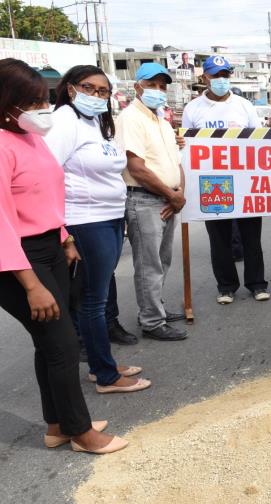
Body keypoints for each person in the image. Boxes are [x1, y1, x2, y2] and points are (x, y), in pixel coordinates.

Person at [0, 58, 127, 454]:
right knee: (64, 343)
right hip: (19, 260)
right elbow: (2, 221)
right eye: (32, 102)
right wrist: (32, 285)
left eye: (43, 100)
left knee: (50, 342)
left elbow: (49, 192)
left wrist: (64, 237)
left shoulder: (31, 138)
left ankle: (56, 425)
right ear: (7, 103)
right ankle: (80, 431)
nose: (42, 110)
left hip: (50, 245)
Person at [44, 65, 151, 393]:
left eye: (102, 91)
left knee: (97, 296)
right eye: (88, 88)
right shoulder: (64, 120)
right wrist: (64, 233)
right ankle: (106, 375)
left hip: (108, 218)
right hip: (86, 220)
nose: (95, 96)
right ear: (71, 88)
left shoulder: (96, 122)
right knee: (93, 299)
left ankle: (100, 363)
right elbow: (48, 173)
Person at [181, 55, 271, 305]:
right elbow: (186, 146)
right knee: (219, 239)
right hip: (211, 183)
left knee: (251, 237)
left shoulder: (243, 105)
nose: (221, 80)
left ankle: (257, 284)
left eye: (225, 75)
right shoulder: (193, 109)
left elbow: (257, 142)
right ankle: (226, 286)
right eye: (216, 75)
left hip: (244, 181)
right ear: (205, 78)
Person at [115, 62, 187, 342]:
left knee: (162, 261)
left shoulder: (162, 121)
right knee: (149, 264)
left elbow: (175, 162)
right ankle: (152, 321)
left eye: (162, 86)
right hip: (145, 200)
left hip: (166, 199)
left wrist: (178, 192)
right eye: (151, 85)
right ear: (137, 87)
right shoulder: (131, 117)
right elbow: (137, 168)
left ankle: (154, 309)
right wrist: (172, 195)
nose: (158, 90)